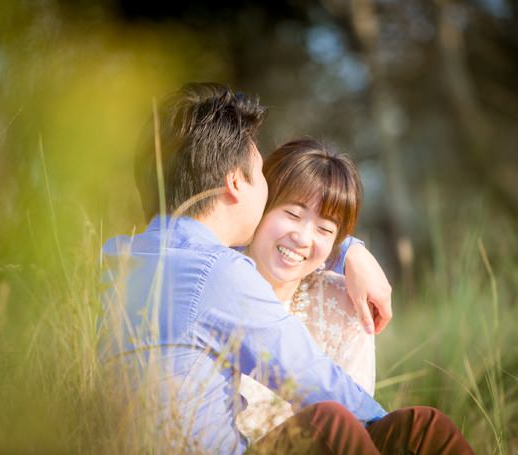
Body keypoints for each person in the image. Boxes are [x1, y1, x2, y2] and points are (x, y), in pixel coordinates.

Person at [101, 82, 472, 454]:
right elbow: (310, 378)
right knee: (334, 424)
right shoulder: (216, 271)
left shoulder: (118, 257)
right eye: (261, 174)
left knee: (418, 427)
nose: (265, 190)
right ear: (235, 182)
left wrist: (348, 250)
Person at [233, 139, 378, 440]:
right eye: (293, 214)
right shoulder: (216, 280)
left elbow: (360, 429)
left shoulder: (344, 305)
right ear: (262, 206)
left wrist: (352, 251)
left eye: (325, 229)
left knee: (426, 424)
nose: (303, 238)